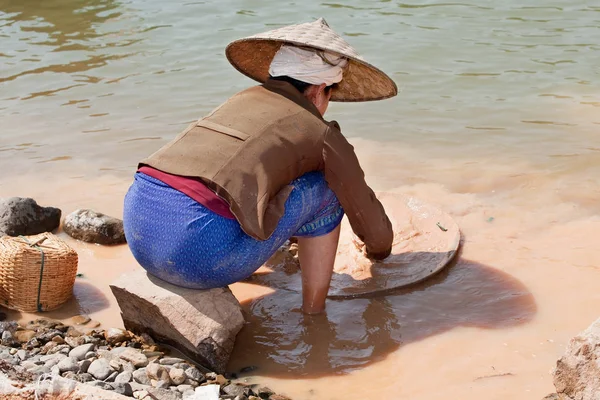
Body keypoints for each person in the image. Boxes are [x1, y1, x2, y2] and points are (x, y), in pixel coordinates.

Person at [123, 18, 398, 314]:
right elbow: (363, 209)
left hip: (139, 233)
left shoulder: (240, 100)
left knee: (256, 177)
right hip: (198, 257)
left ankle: (279, 249)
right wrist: (380, 253)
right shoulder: (321, 133)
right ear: (320, 90)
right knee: (327, 190)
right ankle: (314, 313)